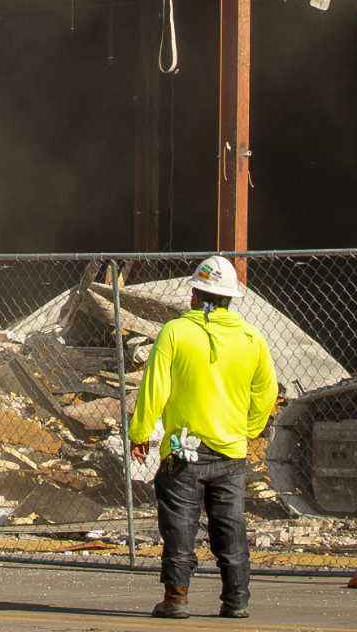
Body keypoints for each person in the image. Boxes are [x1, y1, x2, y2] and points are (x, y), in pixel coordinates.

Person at [128, 255, 278, 620]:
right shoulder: (251, 339)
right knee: (230, 526)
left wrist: (140, 432)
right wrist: (248, 429)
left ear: (196, 294)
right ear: (229, 298)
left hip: (184, 453)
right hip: (230, 453)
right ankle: (236, 600)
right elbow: (266, 393)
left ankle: (176, 598)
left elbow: (154, 389)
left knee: (179, 525)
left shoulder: (175, 333)